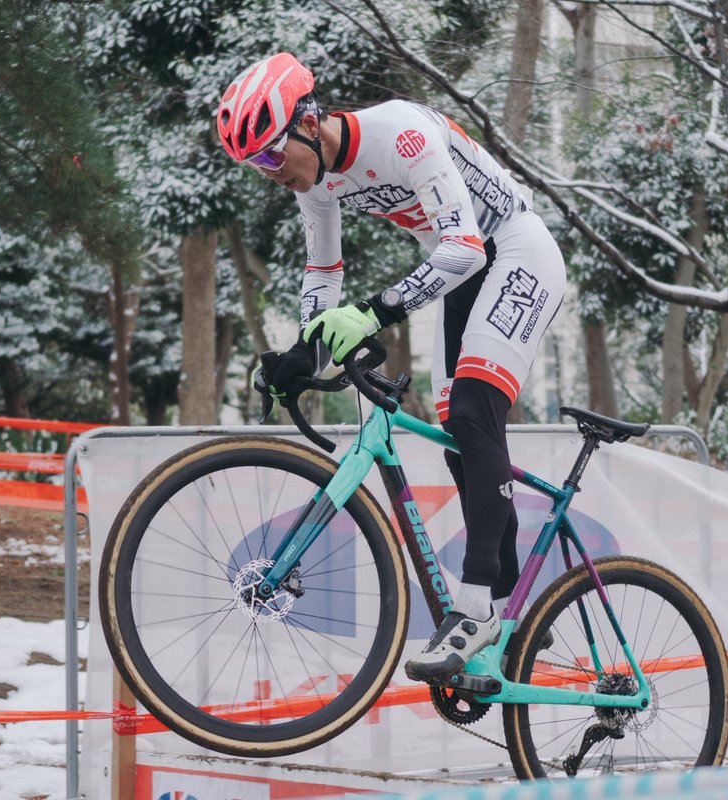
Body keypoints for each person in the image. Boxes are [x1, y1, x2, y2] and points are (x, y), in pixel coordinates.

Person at [217, 53, 566, 680]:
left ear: (307, 124)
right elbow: (323, 272)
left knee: (473, 412)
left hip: (515, 250)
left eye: (270, 156)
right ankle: (512, 613)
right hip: (463, 277)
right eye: (256, 167)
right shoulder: (315, 182)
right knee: (461, 442)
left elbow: (465, 246)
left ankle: (475, 609)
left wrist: (372, 314)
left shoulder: (401, 131)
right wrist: (303, 352)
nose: (272, 174)